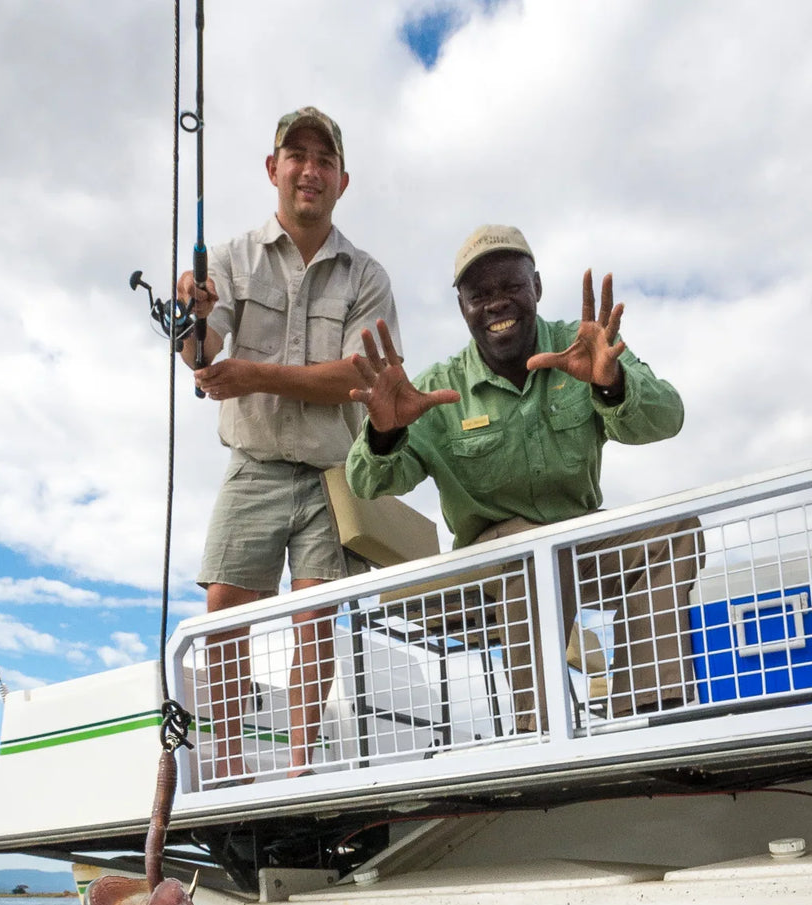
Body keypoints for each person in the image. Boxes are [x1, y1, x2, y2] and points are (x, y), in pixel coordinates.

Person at [345, 224, 700, 731]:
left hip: (577, 543)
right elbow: (366, 483)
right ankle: (543, 727)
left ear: (536, 287)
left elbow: (670, 418)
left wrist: (613, 382)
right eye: (479, 295)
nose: (496, 303)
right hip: (487, 560)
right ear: (463, 308)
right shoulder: (438, 387)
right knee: (526, 547)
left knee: (673, 531)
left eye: (510, 287)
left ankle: (648, 709)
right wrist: (382, 434)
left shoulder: (587, 345)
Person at [177, 107, 401, 781]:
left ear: (343, 180)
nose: (310, 169)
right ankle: (233, 768)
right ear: (273, 169)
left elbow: (359, 379)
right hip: (253, 463)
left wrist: (251, 373)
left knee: (314, 612)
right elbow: (202, 353)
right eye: (296, 155)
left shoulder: (367, 275)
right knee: (222, 609)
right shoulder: (231, 259)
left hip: (334, 470)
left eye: (324, 158)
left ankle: (301, 769)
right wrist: (191, 320)